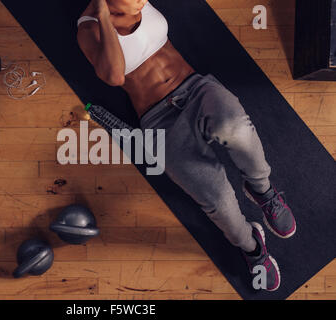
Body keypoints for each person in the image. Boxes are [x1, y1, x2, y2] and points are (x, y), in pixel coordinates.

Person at [77, 0, 296, 291]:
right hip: (158, 121)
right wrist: (103, 13)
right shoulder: (90, 28)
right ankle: (251, 246)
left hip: (197, 88)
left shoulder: (137, 3)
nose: (142, 2)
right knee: (215, 199)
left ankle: (262, 191)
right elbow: (115, 76)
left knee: (236, 128)